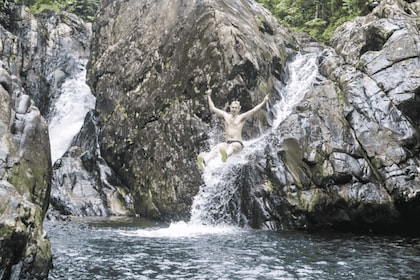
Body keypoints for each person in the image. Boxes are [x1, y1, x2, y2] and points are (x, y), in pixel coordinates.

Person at [197, 88, 269, 170]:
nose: (234, 109)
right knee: (217, 147)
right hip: (227, 144)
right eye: (233, 107)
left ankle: (225, 157)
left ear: (239, 109)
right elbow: (213, 108)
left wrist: (264, 101)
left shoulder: (241, 117)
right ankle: (205, 163)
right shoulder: (225, 115)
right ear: (230, 107)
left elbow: (254, 110)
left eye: (236, 108)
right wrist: (209, 96)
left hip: (238, 144)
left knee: (232, 146)